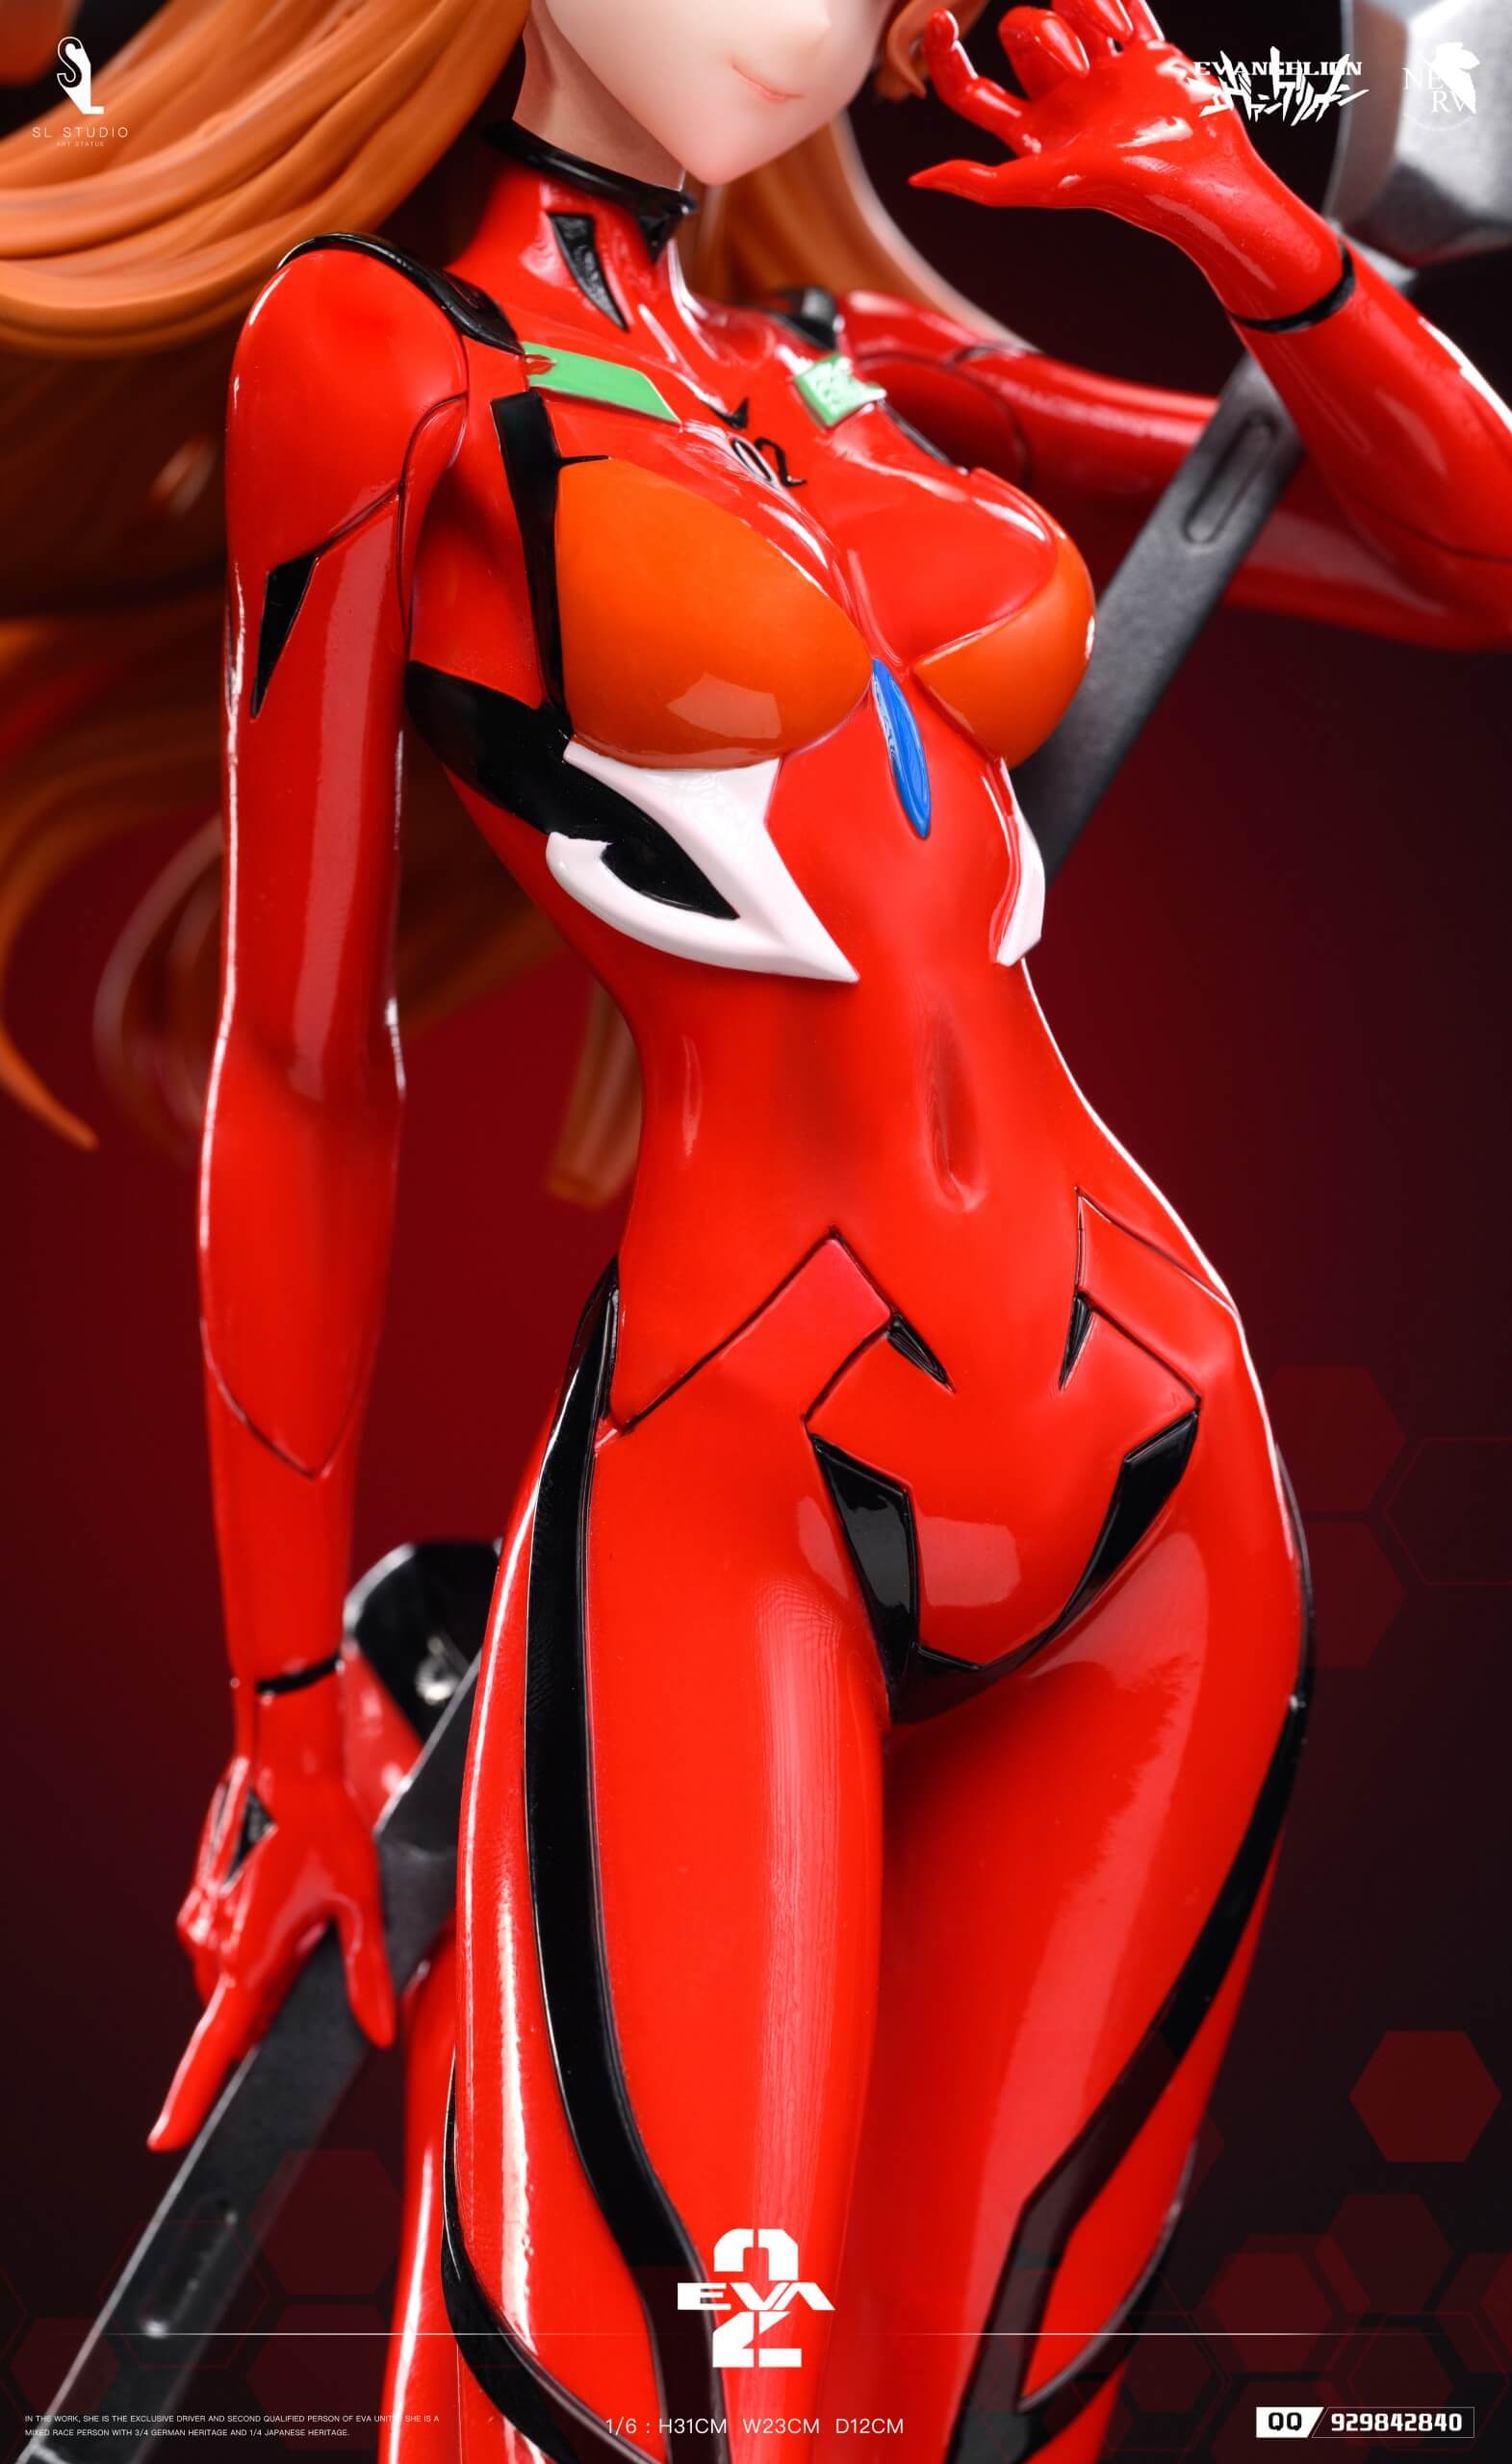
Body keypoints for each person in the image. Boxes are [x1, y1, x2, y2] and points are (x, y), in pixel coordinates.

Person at [8, 5, 1512, 2459]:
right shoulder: (374, 360)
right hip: (750, 1460)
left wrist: (1229, 212)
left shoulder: (859, 359)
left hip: (1162, 1456)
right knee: (659, 2401)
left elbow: (1476, 557)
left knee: (991, 2401)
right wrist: (288, 1711)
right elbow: (302, 1067)